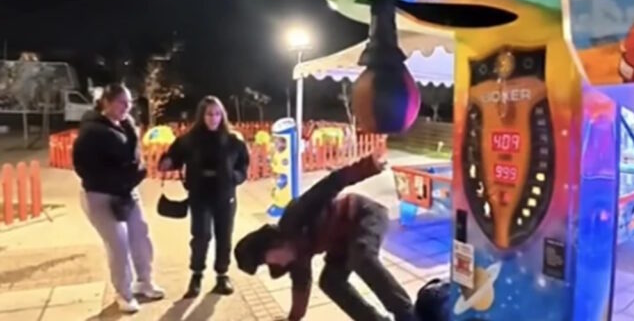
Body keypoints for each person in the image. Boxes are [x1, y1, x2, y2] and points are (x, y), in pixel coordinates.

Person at [234, 154, 417, 321]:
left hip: (363, 215)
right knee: (330, 281)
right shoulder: (298, 261)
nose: (276, 264)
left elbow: (329, 185)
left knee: (361, 255)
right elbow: (301, 291)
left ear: (272, 244)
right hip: (342, 243)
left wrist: (367, 166)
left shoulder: (295, 216)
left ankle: (407, 313)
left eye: (269, 260)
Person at [72, 83, 164, 314]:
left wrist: (137, 170)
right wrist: (122, 177)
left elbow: (133, 155)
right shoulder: (91, 132)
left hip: (127, 192)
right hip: (100, 194)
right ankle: (123, 293)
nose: (127, 107)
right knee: (118, 243)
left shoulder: (126, 124)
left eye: (129, 102)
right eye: (122, 102)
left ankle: (144, 281)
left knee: (140, 235)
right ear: (106, 102)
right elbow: (84, 167)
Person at [158, 96, 250, 298]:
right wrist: (167, 161)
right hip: (200, 195)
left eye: (217, 114)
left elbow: (243, 166)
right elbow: (174, 156)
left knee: (224, 235)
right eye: (209, 114)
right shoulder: (190, 139)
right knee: (201, 235)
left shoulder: (233, 141)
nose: (213, 118)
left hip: (225, 195)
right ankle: (197, 274)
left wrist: (234, 177)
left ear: (222, 115)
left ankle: (222, 274)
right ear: (201, 115)